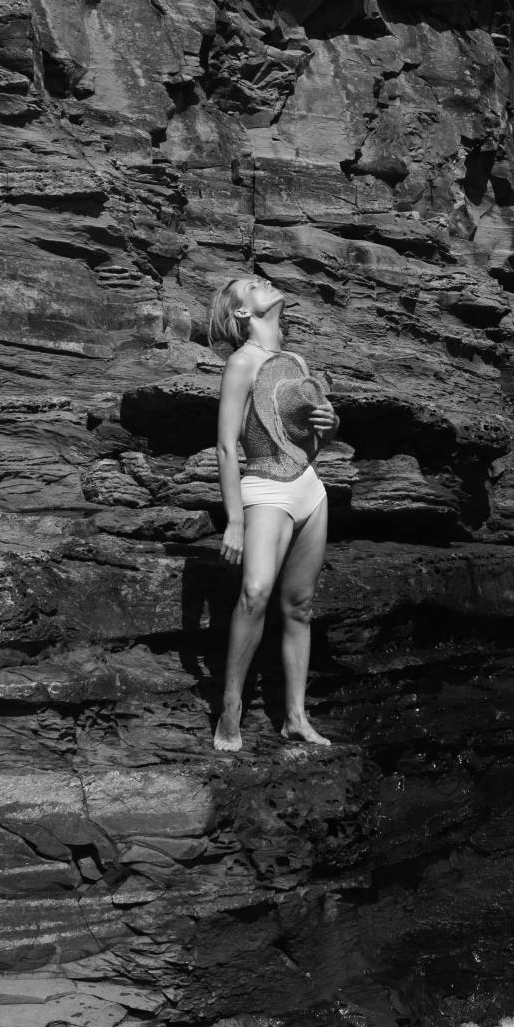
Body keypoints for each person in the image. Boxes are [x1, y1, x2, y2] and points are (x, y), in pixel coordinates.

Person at [208, 272, 338, 752]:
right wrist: (235, 521)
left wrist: (331, 422)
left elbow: (311, 441)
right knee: (255, 593)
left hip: (310, 488)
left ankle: (296, 717)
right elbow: (225, 446)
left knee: (299, 606)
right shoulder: (242, 361)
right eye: (253, 285)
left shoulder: (296, 360)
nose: (264, 283)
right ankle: (231, 707)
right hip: (264, 488)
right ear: (242, 311)